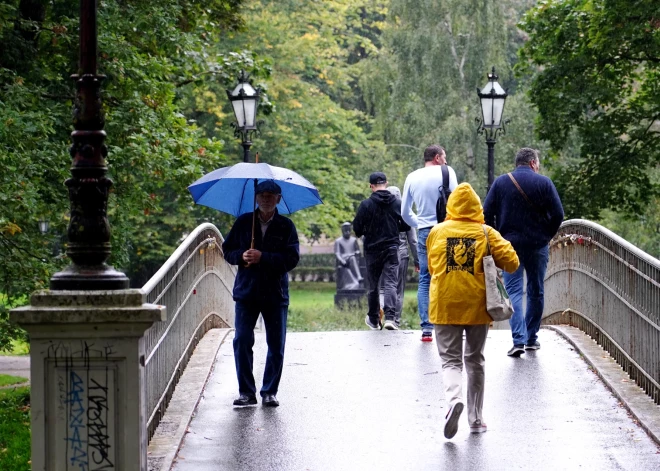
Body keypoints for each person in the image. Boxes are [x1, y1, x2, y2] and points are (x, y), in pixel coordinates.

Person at [427, 182, 519, 438]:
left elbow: (432, 267)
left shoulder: (437, 232)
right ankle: (476, 419)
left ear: (451, 206)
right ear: (477, 207)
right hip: (477, 305)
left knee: (451, 360)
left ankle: (454, 400)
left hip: (444, 303)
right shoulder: (487, 232)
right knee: (475, 359)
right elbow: (512, 263)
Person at [222, 180, 300, 407]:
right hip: (247, 292)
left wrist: (263, 257)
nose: (265, 198)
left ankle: (269, 392)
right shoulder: (244, 222)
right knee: (242, 340)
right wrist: (241, 256)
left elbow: (291, 259)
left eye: (271, 194)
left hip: (275, 294)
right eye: (262, 194)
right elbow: (227, 250)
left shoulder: (286, 226)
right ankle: (246, 392)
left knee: (276, 345)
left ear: (278, 198)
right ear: (256, 197)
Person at [483, 148, 564, 357]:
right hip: (538, 245)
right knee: (536, 291)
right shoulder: (544, 183)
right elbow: (558, 214)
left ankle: (517, 340)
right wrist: (547, 234)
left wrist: (498, 237)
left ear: (517, 163)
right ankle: (531, 338)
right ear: (533, 163)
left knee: (514, 292)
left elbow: (486, 213)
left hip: (510, 246)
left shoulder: (501, 183)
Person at [401, 145, 459, 341]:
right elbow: (459, 201)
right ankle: (452, 322)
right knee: (451, 275)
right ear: (436, 158)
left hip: (425, 232)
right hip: (447, 230)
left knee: (425, 278)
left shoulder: (411, 177)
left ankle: (427, 328)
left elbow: (405, 212)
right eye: (444, 157)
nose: (446, 160)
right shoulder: (447, 172)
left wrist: (420, 223)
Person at [353, 172, 408, 330]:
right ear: (386, 183)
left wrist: (365, 231)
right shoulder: (397, 203)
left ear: (371, 186)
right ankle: (391, 317)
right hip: (391, 248)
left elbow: (356, 228)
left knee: (373, 286)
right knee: (391, 283)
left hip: (372, 250)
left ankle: (374, 319)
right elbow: (406, 225)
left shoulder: (366, 205)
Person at [381, 186, 419, 328]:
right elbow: (413, 241)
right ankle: (394, 320)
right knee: (398, 289)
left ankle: (380, 309)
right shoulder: (405, 214)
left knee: (383, 287)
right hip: (401, 255)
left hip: (383, 254)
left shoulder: (380, 212)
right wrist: (417, 260)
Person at [334, 222, 363, 290]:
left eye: (348, 230)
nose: (347, 232)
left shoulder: (353, 240)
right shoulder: (338, 241)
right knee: (352, 258)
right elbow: (337, 253)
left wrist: (357, 253)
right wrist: (342, 260)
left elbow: (357, 250)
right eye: (345, 230)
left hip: (352, 258)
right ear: (342, 231)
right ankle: (359, 277)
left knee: (353, 258)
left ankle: (358, 279)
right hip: (344, 259)